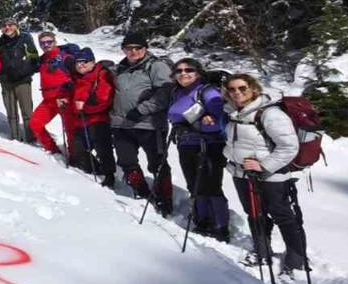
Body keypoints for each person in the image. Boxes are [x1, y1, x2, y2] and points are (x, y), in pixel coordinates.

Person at [223, 74, 306, 274]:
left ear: (254, 88)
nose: (237, 93)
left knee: (282, 215)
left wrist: (264, 165)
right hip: (241, 173)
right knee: (254, 213)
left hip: (271, 175)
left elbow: (289, 146)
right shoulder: (234, 112)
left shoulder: (270, 114)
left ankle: (296, 260)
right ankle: (262, 251)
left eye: (242, 88)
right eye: (232, 89)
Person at [110, 33, 174, 216]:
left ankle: (164, 197)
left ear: (145, 48)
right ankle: (141, 190)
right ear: (123, 49)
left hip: (149, 124)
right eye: (129, 48)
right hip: (122, 124)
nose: (134, 51)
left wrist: (143, 109)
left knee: (157, 163)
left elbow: (166, 92)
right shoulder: (121, 68)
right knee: (126, 161)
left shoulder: (156, 66)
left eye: (138, 48)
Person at [168, 58, 230, 242]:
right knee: (193, 183)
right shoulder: (177, 92)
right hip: (186, 144)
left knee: (211, 185)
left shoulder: (208, 92)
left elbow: (220, 121)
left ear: (198, 73)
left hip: (209, 145)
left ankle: (220, 226)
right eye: (179, 70)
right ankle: (201, 220)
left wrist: (199, 124)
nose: (183, 73)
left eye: (189, 70)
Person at [70, 49, 116, 186]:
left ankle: (109, 175)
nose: (80, 65)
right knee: (78, 147)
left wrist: (85, 105)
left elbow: (104, 97)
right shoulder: (79, 78)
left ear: (92, 62)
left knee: (103, 148)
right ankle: (94, 170)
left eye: (84, 62)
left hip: (99, 118)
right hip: (82, 119)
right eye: (77, 63)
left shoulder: (102, 74)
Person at [30, 31, 75, 156]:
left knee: (70, 130)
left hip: (64, 100)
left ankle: (75, 156)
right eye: (43, 43)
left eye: (49, 42)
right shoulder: (43, 59)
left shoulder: (66, 58)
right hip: (49, 101)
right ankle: (53, 150)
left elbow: (79, 77)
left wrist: (70, 90)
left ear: (55, 42)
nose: (46, 45)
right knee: (35, 123)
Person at [0, 19, 39, 142]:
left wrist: (21, 72)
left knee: (27, 111)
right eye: (5, 25)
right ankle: (15, 137)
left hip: (22, 80)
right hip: (6, 81)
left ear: (16, 26)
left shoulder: (25, 39)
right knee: (11, 112)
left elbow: (34, 59)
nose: (7, 27)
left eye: (10, 25)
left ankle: (31, 138)